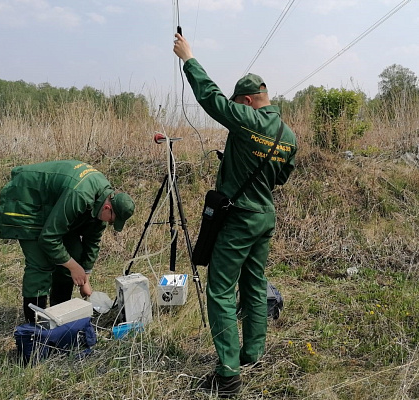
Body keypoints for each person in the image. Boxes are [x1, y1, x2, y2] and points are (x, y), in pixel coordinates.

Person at [174, 34, 297, 397]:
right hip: (265, 217)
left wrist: (188, 59)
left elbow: (210, 98)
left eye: (238, 104)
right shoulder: (289, 136)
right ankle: (253, 352)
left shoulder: (245, 119)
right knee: (255, 284)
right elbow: (281, 177)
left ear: (246, 101)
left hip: (240, 218)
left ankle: (228, 374)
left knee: (222, 290)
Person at [0, 160, 135, 323]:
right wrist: (73, 267)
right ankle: (34, 327)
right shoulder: (80, 194)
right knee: (40, 265)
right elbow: (49, 237)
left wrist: (85, 276)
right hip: (25, 199)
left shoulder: (104, 196)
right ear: (107, 208)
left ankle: (60, 315)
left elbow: (93, 240)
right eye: (111, 221)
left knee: (73, 253)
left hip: (52, 206)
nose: (110, 224)